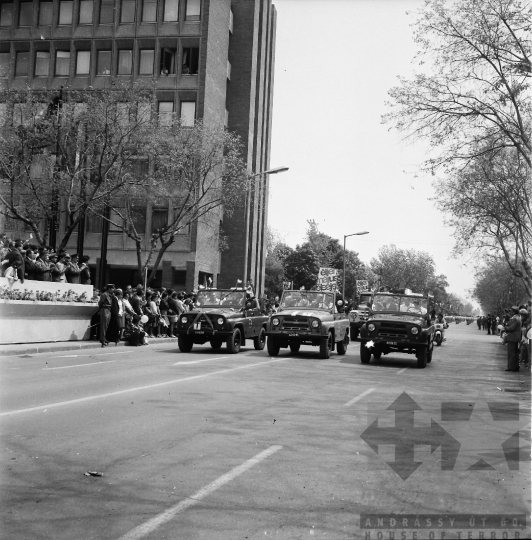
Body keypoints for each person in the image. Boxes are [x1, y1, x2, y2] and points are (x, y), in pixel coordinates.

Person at [504, 306, 522, 372]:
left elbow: (512, 328)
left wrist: (505, 328)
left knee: (511, 352)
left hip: (512, 337)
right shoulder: (518, 318)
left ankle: (511, 367)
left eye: (511, 311)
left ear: (514, 311)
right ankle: (516, 366)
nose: (510, 312)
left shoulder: (515, 319)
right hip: (516, 337)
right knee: (515, 352)